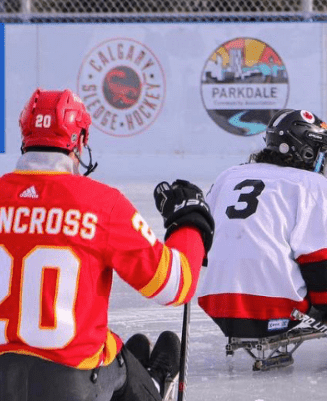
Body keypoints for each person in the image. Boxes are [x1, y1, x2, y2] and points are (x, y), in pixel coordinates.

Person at [0, 89, 213, 401]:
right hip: (69, 381)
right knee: (115, 356)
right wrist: (191, 224)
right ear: (80, 140)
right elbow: (174, 285)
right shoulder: (101, 204)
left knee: (116, 348)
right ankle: (151, 387)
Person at [197, 109, 327, 359]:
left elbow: (204, 252)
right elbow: (321, 265)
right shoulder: (311, 184)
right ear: (304, 150)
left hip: (217, 303)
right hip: (277, 309)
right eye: (318, 150)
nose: (321, 158)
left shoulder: (228, 176)